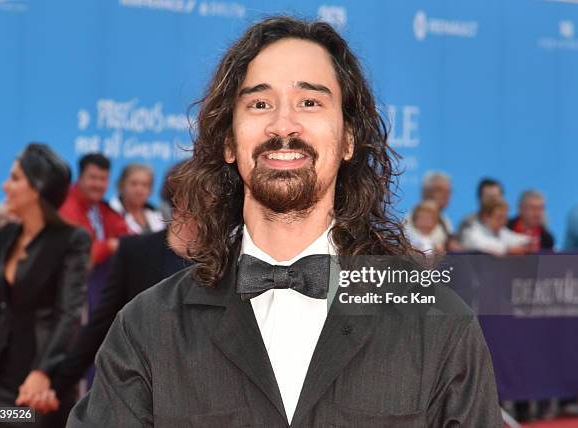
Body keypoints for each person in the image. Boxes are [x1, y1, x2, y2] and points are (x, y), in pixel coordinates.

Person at [68, 17, 502, 427]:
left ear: (349, 139)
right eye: (259, 103)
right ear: (228, 143)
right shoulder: (149, 329)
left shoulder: (439, 325)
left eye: (309, 102)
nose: (283, 124)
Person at [19, 161, 193, 413]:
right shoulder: (136, 253)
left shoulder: (227, 259)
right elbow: (101, 325)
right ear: (183, 198)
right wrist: (54, 386)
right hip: (143, 399)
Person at [0, 144, 91, 427]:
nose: (5, 186)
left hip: (39, 386)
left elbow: (68, 313)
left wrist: (42, 371)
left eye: (15, 178)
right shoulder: (7, 235)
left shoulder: (72, 240)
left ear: (37, 188)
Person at [60, 153, 128, 266]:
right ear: (80, 177)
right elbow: (79, 252)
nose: (98, 184)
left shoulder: (102, 207)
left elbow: (126, 236)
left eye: (103, 179)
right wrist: (109, 246)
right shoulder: (66, 206)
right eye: (92, 178)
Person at [461, 196, 531, 256]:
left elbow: (516, 239)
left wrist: (528, 242)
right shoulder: (471, 231)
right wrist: (507, 249)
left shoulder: (502, 231)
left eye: (505, 217)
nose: (504, 222)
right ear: (485, 217)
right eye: (499, 217)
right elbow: (482, 245)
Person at [109, 163, 165, 234]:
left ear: (150, 190)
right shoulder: (111, 213)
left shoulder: (157, 214)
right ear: (122, 185)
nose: (139, 189)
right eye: (134, 183)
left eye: (145, 185)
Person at [404, 171, 453, 249]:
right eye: (439, 190)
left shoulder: (445, 221)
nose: (445, 195)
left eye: (448, 191)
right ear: (425, 192)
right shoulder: (410, 220)